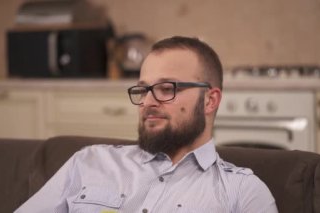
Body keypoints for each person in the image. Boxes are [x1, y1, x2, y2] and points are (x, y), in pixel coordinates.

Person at [15, 36, 278, 213]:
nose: (147, 102)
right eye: (143, 90)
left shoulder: (242, 194)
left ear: (210, 100)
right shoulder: (89, 162)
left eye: (166, 88)